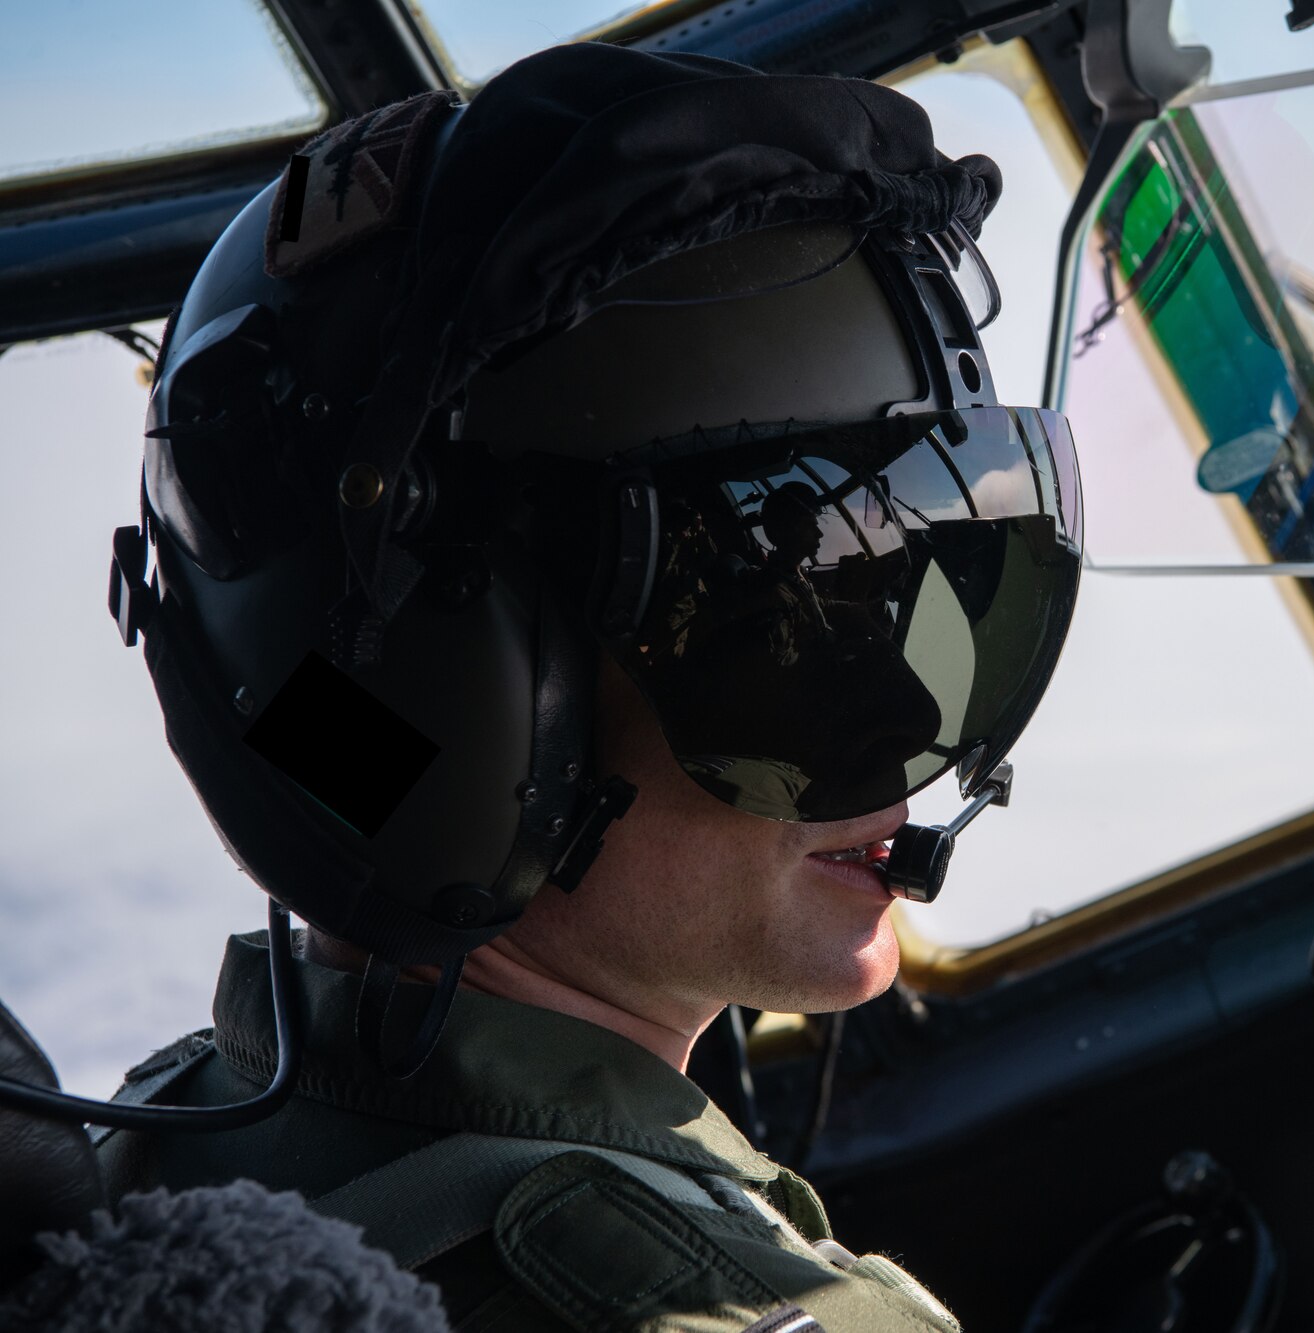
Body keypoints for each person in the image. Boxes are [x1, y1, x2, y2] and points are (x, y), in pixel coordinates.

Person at [86, 39, 1085, 1332]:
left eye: (906, 596)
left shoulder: (160, 1155)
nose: (908, 736)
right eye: (784, 639)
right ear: (466, 729)